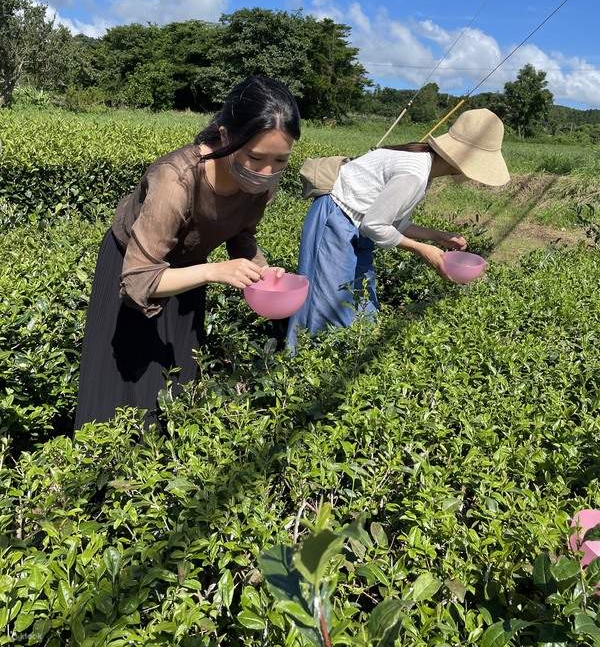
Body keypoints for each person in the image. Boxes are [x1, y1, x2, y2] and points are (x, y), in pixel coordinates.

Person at [75, 76, 301, 428]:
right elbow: (139, 280)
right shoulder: (175, 179)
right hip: (135, 267)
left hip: (188, 272)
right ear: (226, 137)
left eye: (280, 160)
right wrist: (214, 271)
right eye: (256, 157)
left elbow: (242, 233)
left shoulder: (261, 185)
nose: (267, 172)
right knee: (125, 386)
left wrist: (262, 271)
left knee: (176, 378)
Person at [287, 107, 510, 349]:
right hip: (336, 220)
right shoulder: (415, 172)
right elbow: (375, 225)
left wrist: (438, 236)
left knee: (362, 303)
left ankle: (349, 358)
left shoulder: (424, 167)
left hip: (357, 227)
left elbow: (393, 223)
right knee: (329, 304)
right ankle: (305, 365)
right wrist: (422, 250)